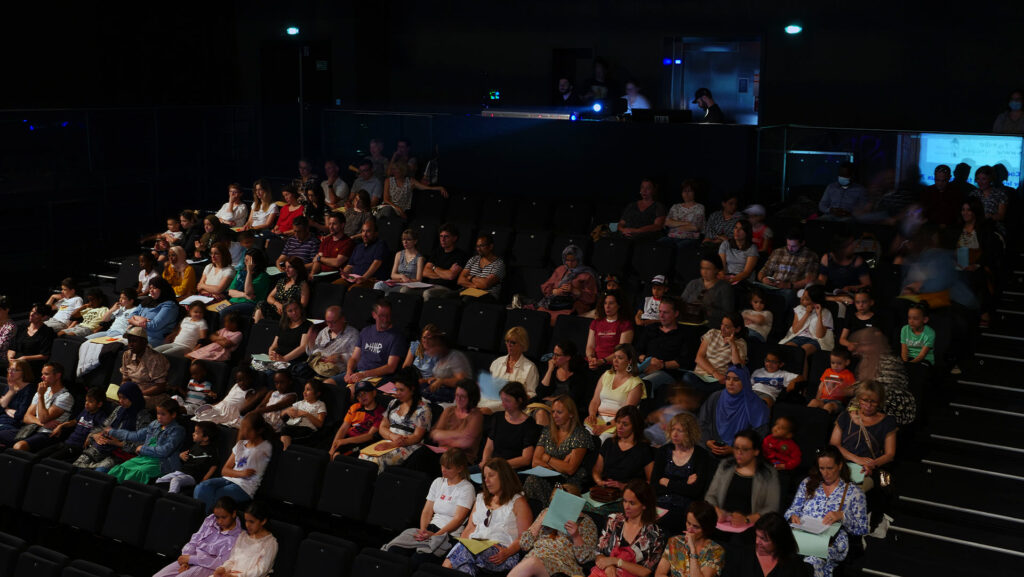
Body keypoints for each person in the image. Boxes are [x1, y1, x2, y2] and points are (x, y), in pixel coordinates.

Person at [785, 446, 868, 577]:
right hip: (803, 535)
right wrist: (792, 516)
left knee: (813, 561)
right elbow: (792, 510)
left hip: (829, 542)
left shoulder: (854, 492)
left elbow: (862, 528)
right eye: (822, 468)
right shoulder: (808, 483)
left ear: (840, 466)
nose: (825, 473)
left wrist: (843, 516)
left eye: (830, 468)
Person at [384, 448, 476, 564]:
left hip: (448, 534)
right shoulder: (438, 482)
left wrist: (435, 535)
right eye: (442, 466)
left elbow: (458, 519)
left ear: (460, 468)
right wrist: (423, 530)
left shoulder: (467, 488)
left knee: (418, 559)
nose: (443, 470)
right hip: (430, 529)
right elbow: (427, 511)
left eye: (448, 468)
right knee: (394, 549)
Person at [443, 457, 533, 575]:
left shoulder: (518, 502)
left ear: (503, 476)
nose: (487, 480)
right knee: (464, 567)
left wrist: (507, 552)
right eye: (485, 477)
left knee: (465, 549)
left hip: (503, 554)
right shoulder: (480, 498)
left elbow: (524, 538)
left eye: (491, 475)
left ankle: (442, 571)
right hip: (474, 548)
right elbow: (469, 528)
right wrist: (464, 542)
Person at [830, 381, 896, 525]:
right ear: (859, 399)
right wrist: (857, 459)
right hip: (844, 464)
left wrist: (872, 464)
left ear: (879, 402)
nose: (868, 405)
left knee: (854, 492)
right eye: (865, 400)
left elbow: (890, 454)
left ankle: (854, 526)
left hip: (871, 468)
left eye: (873, 402)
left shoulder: (887, 422)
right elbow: (834, 444)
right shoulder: (846, 417)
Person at [510, 483, 599, 577]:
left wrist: (576, 536)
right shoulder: (546, 512)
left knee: (532, 563)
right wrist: (539, 522)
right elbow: (524, 544)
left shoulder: (586, 522)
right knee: (530, 562)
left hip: (562, 565)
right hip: (535, 557)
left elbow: (585, 559)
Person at [195, 413, 274, 513]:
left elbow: (243, 472)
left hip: (244, 487)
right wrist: (241, 473)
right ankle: (204, 519)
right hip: (227, 479)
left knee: (218, 495)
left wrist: (236, 473)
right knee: (201, 487)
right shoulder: (240, 444)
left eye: (248, 429)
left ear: (259, 430)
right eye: (242, 428)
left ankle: (208, 522)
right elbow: (224, 471)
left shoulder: (265, 447)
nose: (244, 432)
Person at [524, 395, 595, 505]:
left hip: (570, 481)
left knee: (533, 481)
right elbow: (535, 462)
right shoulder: (548, 431)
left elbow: (570, 469)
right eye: (553, 412)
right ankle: (538, 515)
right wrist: (561, 465)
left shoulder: (581, 434)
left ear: (571, 414)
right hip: (549, 477)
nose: (554, 416)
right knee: (532, 480)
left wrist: (547, 458)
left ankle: (546, 515)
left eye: (559, 412)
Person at [651, 414, 715, 534]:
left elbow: (695, 491)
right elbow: (655, 486)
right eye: (673, 429)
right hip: (661, 505)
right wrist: (684, 483)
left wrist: (667, 481)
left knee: (670, 522)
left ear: (690, 432)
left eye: (680, 430)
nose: (674, 434)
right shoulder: (663, 451)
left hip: (686, 509)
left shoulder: (701, 456)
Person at [705, 429, 780, 531]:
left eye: (744, 449)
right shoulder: (725, 465)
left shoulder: (768, 473)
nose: (739, 453)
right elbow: (710, 496)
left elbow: (772, 507)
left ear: (756, 451)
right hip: (721, 524)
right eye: (736, 448)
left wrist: (747, 519)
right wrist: (716, 510)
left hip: (752, 529)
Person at [359, 371, 432, 472]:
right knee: (363, 456)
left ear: (412, 389)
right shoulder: (393, 403)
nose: (397, 393)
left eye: (401, 390)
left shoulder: (423, 409)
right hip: (389, 440)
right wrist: (392, 437)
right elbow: (382, 427)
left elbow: (417, 437)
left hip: (409, 445)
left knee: (376, 461)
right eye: (396, 389)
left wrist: (394, 444)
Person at [152, 497, 242, 577]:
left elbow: (221, 563)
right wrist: (185, 561)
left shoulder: (238, 536)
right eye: (217, 517)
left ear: (233, 514)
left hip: (207, 567)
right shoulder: (210, 520)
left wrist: (192, 559)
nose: (219, 521)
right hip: (191, 558)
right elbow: (195, 540)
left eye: (224, 517)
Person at [593, 479, 665, 577]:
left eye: (632, 503)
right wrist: (608, 566)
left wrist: (616, 561)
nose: (626, 506)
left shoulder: (654, 534)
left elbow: (646, 571)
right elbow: (599, 553)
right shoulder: (614, 520)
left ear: (644, 505)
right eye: (625, 501)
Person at [73, 382, 150, 471]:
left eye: (124, 398)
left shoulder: (143, 416)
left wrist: (118, 443)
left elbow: (141, 443)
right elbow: (104, 426)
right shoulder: (119, 409)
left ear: (133, 397)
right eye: (119, 397)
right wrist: (94, 435)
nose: (120, 401)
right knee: (77, 466)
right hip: (103, 447)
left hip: (120, 454)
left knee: (97, 473)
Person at [106, 398, 186, 484]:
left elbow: (164, 451)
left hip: (161, 463)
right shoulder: (155, 424)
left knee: (135, 475)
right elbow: (136, 435)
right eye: (158, 413)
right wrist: (113, 432)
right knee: (118, 470)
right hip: (144, 458)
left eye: (163, 414)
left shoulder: (177, 430)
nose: (159, 417)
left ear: (173, 415)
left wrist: (143, 449)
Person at [848, 328, 916, 426]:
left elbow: (881, 388)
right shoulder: (865, 361)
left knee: (865, 405)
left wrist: (852, 390)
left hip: (892, 402)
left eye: (864, 345)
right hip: (869, 398)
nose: (859, 349)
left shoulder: (891, 361)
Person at [0, 362, 73, 451]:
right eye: (42, 374)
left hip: (47, 433)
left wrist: (41, 396)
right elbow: (26, 417)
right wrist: (41, 423)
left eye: (46, 374)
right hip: (30, 429)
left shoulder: (65, 396)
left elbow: (44, 418)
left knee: (19, 446)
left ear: (57, 376)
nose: (42, 377)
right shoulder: (43, 391)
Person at [700, 366, 769, 458]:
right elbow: (701, 422)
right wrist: (707, 441)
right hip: (711, 450)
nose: (730, 383)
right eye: (728, 378)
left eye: (736, 379)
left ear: (744, 382)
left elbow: (760, 434)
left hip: (741, 455)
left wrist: (735, 449)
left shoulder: (755, 404)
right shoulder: (716, 397)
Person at [593, 406, 655, 498]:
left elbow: (651, 481)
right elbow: (596, 471)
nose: (619, 427)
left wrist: (624, 486)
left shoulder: (643, 449)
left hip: (630, 495)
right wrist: (599, 481)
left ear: (635, 426)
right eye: (618, 422)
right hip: (606, 492)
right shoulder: (609, 443)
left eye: (625, 424)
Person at [341, 299, 406, 387]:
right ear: (374, 315)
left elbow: (391, 367)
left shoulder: (396, 337)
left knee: (351, 391)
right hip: (358, 373)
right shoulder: (365, 331)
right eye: (382, 316)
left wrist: (364, 374)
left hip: (378, 377)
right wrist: (349, 371)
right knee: (328, 383)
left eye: (388, 315)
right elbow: (354, 358)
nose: (385, 319)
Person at [586, 344, 646, 440]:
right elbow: (595, 400)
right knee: (582, 436)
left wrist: (605, 426)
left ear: (629, 361)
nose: (615, 360)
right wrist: (592, 415)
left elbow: (626, 414)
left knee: (605, 438)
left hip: (619, 423)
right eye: (614, 357)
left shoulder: (636, 383)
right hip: (600, 419)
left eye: (620, 358)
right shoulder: (606, 375)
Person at [34, 386, 107, 463]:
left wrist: (91, 435)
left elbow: (103, 430)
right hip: (67, 442)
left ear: (99, 404)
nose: (86, 404)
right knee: (38, 455)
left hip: (77, 447)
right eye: (86, 401)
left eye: (90, 402)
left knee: (49, 461)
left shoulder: (101, 416)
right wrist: (61, 425)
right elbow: (74, 421)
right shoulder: (85, 411)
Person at [720, 512, 805, 577]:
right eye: (757, 536)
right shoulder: (742, 555)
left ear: (779, 541)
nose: (757, 542)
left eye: (764, 539)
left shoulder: (794, 564)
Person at [654, 501, 725, 577]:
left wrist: (692, 550)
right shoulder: (675, 541)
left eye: (695, 526)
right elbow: (659, 574)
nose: (689, 529)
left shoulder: (715, 550)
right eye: (688, 523)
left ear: (706, 528)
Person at [480, 382, 541, 470]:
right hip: (492, 466)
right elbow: (489, 446)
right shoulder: (497, 417)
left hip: (511, 469)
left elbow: (526, 459)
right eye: (502, 400)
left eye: (507, 401)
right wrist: (485, 461)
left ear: (519, 401)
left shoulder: (529, 424)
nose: (503, 404)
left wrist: (499, 465)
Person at [683, 314, 747, 396]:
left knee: (722, 388)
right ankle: (703, 396)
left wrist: (733, 345)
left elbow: (738, 366)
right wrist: (715, 373)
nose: (722, 329)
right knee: (687, 377)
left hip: (718, 381)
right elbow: (699, 358)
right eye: (722, 324)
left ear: (737, 329)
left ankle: (699, 397)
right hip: (700, 376)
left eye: (727, 327)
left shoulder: (741, 343)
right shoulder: (712, 333)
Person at [778, 286, 834, 379]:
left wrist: (819, 314)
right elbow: (795, 329)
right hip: (798, 337)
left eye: (806, 299)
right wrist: (807, 314)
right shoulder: (799, 309)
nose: (802, 299)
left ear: (815, 301)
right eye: (803, 295)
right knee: (787, 348)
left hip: (815, 340)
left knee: (802, 352)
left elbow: (820, 335)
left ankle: (802, 380)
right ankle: (786, 378)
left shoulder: (825, 313)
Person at [407, 326, 472, 404]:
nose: (428, 351)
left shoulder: (455, 357)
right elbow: (435, 379)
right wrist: (425, 380)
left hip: (452, 396)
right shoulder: (440, 358)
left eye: (432, 345)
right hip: (436, 392)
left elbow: (463, 382)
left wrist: (442, 381)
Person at [756, 227, 819, 308]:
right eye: (788, 245)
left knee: (789, 294)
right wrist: (763, 279)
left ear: (802, 243)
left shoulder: (810, 256)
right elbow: (763, 271)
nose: (790, 248)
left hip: (790, 289)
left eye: (794, 246)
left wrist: (789, 285)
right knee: (756, 289)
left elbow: (809, 280)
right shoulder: (778, 252)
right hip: (772, 286)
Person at [214, 502, 278, 577]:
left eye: (251, 522)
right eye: (246, 520)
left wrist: (238, 576)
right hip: (232, 574)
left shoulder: (270, 543)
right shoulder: (243, 535)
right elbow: (233, 559)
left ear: (263, 521)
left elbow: (261, 571)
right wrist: (224, 568)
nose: (247, 525)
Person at [155, 421, 221, 494]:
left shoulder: (212, 450)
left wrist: (205, 479)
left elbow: (214, 466)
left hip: (193, 476)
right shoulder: (195, 446)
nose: (193, 434)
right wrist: (181, 455)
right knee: (160, 480)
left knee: (176, 480)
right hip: (182, 471)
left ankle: (171, 496)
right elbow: (186, 455)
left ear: (205, 438)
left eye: (196, 432)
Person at [538, 244, 599, 318]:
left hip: (573, 306)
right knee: (540, 314)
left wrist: (575, 291)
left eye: (573, 261)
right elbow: (546, 286)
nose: (569, 263)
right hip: (554, 303)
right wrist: (554, 291)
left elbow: (591, 298)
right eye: (567, 260)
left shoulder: (587, 275)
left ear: (578, 259)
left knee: (559, 318)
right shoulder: (560, 270)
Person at [430, 379, 484, 461]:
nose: (458, 399)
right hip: (442, 453)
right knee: (421, 454)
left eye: (462, 396)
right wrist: (460, 434)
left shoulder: (476, 415)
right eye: (457, 395)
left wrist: (445, 438)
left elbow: (466, 442)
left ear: (471, 398)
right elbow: (435, 435)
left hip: (462, 458)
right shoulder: (449, 410)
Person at [329, 380, 385, 458]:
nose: (362, 397)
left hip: (362, 442)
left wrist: (344, 441)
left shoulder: (381, 413)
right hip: (347, 438)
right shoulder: (355, 407)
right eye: (359, 395)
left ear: (374, 392)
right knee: (329, 454)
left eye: (365, 393)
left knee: (338, 457)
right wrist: (333, 447)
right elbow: (343, 428)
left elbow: (369, 436)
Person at [194, 367, 265, 428]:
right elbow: (226, 399)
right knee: (201, 414)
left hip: (230, 413)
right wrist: (214, 405)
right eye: (239, 380)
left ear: (251, 379)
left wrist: (259, 394)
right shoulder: (236, 386)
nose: (241, 383)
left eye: (245, 379)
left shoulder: (250, 392)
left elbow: (244, 409)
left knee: (209, 419)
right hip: (220, 407)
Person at [119, 326, 171, 410]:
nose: (130, 344)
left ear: (144, 342)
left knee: (131, 402)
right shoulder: (127, 354)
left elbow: (160, 387)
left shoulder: (155, 359)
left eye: (134, 341)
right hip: (132, 392)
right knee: (111, 395)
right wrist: (123, 390)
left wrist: (138, 394)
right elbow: (125, 379)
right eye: (129, 341)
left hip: (152, 395)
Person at [488, 327, 540, 410]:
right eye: (507, 341)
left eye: (513, 342)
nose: (509, 345)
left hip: (514, 406)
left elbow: (532, 393)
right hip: (493, 399)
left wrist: (518, 397)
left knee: (485, 410)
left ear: (522, 345)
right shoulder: (497, 363)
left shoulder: (530, 367)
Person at [304, 305, 359, 380]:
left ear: (342, 319)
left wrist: (340, 357)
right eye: (327, 322)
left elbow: (356, 358)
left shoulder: (353, 334)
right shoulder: (324, 331)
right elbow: (312, 353)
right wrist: (311, 343)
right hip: (316, 365)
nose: (330, 325)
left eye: (333, 322)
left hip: (334, 370)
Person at [381, 160, 449, 219]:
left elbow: (426, 187)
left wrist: (439, 188)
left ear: (402, 171)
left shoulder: (411, 181)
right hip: (389, 207)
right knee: (381, 212)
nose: (394, 172)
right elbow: (386, 199)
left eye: (396, 170)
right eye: (393, 170)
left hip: (404, 209)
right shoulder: (388, 181)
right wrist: (398, 209)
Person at [587, 292, 635, 372]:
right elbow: (590, 346)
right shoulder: (595, 323)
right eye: (605, 303)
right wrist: (591, 359)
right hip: (595, 362)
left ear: (618, 305)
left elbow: (621, 351)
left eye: (611, 303)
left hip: (613, 364)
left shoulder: (625, 324)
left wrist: (603, 361)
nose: (607, 306)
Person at [420, 224, 470, 300]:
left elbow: (450, 276)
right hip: (429, 285)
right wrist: (444, 274)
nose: (442, 239)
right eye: (441, 236)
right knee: (405, 290)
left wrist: (434, 268)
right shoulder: (436, 252)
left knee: (428, 293)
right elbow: (425, 272)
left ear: (454, 238)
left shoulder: (461, 255)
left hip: (446, 288)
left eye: (446, 236)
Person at [681, 257, 735, 326]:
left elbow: (728, 313)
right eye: (702, 268)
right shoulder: (694, 283)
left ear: (716, 270)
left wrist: (708, 311)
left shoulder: (724, 287)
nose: (704, 272)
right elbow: (682, 301)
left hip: (711, 325)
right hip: (689, 321)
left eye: (708, 269)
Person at [220, 248, 272, 318]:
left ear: (255, 262)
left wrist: (249, 272)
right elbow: (230, 292)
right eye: (245, 259)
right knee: (213, 311)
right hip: (233, 301)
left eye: (248, 261)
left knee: (223, 312)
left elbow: (249, 292)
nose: (245, 262)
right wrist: (244, 295)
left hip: (249, 304)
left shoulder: (262, 277)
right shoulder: (240, 272)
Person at [255, 256, 309, 324]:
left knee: (261, 308)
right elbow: (269, 297)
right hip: (276, 309)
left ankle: (256, 329)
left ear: (297, 268)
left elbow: (303, 304)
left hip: (288, 313)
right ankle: (256, 328)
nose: (286, 270)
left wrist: (286, 309)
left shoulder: (302, 284)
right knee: (261, 305)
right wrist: (277, 304)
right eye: (286, 267)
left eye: (289, 267)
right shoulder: (282, 281)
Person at [128, 277, 179, 347]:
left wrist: (135, 322)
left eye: (154, 288)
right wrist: (141, 319)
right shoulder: (147, 300)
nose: (151, 291)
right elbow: (130, 316)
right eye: (150, 288)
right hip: (136, 335)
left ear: (162, 289)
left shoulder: (169, 305)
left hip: (153, 340)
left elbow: (154, 325)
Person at [817, 234, 871, 302]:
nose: (854, 246)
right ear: (841, 248)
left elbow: (867, 285)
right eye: (850, 244)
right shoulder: (827, 258)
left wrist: (850, 288)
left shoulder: (857, 261)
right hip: (832, 294)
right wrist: (813, 282)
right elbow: (822, 281)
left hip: (851, 296)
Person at [7, 304, 55, 378]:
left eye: (36, 313)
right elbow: (12, 348)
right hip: (16, 362)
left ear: (44, 317)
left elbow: (45, 355)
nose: (31, 314)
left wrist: (24, 358)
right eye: (32, 311)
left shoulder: (47, 332)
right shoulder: (22, 327)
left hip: (31, 364)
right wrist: (10, 358)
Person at [538, 340, 589, 409]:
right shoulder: (552, 370)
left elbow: (574, 397)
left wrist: (555, 399)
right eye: (554, 354)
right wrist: (549, 370)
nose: (553, 358)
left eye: (557, 355)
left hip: (566, 408)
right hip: (547, 406)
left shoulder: (578, 375)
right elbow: (541, 393)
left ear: (568, 357)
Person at [337, 219, 388, 287]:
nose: (364, 234)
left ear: (375, 233)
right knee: (335, 286)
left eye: (368, 231)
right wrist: (345, 273)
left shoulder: (380, 245)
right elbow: (350, 265)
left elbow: (376, 263)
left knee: (353, 290)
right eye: (363, 231)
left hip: (369, 279)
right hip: (353, 278)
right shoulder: (358, 247)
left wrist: (364, 278)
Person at [279, 380, 326, 450]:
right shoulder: (300, 403)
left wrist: (306, 414)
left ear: (317, 393)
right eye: (304, 389)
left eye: (308, 390)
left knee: (285, 430)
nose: (304, 392)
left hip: (309, 430)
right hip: (295, 427)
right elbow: (282, 414)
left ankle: (285, 452)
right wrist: (287, 411)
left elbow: (320, 424)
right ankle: (285, 450)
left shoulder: (320, 404)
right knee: (284, 428)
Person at [457, 234, 506, 301]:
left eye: (482, 246)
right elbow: (460, 280)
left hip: (488, 294)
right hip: (468, 290)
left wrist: (470, 277)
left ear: (490, 246)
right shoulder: (474, 259)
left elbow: (485, 284)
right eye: (477, 246)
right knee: (447, 296)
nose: (478, 249)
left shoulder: (499, 264)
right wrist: (474, 286)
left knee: (467, 299)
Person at [808, 349, 856, 413]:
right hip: (823, 399)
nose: (835, 366)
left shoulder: (848, 375)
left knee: (828, 406)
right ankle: (805, 417)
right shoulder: (827, 371)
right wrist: (817, 399)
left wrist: (843, 392)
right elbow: (821, 386)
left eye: (839, 363)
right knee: (813, 402)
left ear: (847, 362)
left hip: (837, 402)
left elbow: (853, 390)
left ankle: (821, 421)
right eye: (833, 363)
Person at [664, 179, 706, 249]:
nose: (686, 193)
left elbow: (695, 227)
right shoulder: (675, 206)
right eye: (684, 191)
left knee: (678, 247)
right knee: (658, 245)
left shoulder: (699, 207)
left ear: (695, 192)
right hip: (672, 236)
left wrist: (675, 225)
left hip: (690, 238)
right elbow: (667, 222)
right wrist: (687, 223)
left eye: (689, 191)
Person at [719, 220, 759, 285]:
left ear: (747, 233)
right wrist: (723, 277)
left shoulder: (752, 248)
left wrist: (731, 280)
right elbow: (721, 266)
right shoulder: (725, 244)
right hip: (727, 276)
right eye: (736, 228)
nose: (737, 231)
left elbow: (746, 272)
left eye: (741, 229)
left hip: (743, 279)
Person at [0, 361, 36, 433]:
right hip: (2, 419)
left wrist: (6, 409)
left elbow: (20, 415)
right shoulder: (10, 386)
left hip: (12, 425)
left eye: (15, 370)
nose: (10, 372)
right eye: (9, 369)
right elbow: (1, 408)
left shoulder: (30, 389)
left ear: (24, 372)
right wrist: (11, 391)